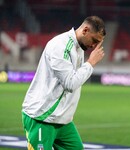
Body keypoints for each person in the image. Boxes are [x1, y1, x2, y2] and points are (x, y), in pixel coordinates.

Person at [22, 16, 106, 150]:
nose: (94, 46)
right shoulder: (60, 46)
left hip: (62, 121)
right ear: (85, 30)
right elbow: (70, 83)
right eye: (94, 40)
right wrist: (90, 63)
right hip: (41, 117)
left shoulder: (78, 47)